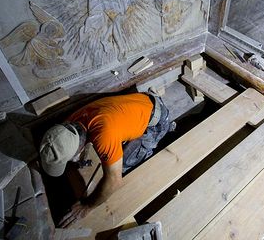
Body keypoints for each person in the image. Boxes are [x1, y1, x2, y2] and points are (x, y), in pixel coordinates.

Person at [39, 92, 172, 228]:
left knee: (125, 164)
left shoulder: (104, 134)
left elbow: (114, 181)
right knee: (113, 146)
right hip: (141, 102)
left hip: (156, 121)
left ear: (79, 148)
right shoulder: (66, 126)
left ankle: (151, 144)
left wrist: (87, 206)